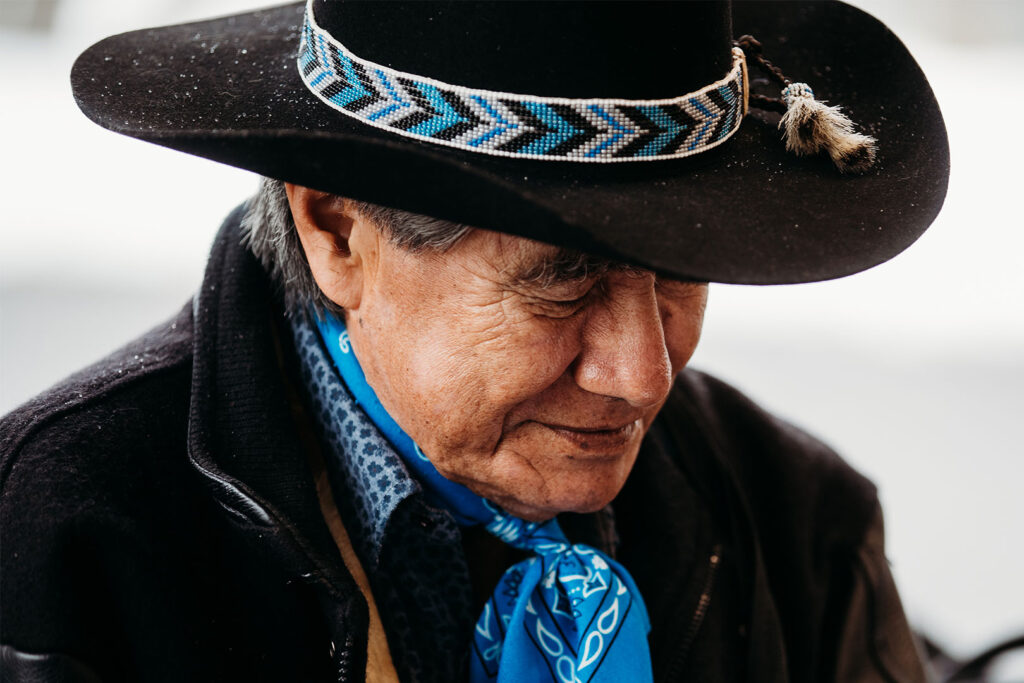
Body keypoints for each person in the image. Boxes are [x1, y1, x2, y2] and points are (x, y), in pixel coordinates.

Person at [0, 1, 949, 681]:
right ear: (337, 232)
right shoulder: (57, 550)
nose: (639, 374)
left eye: (675, 273)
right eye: (560, 280)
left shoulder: (798, 521)